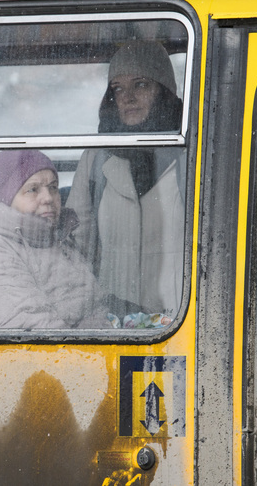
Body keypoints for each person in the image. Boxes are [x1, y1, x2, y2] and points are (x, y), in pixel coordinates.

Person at [66, 41, 185, 316]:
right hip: (115, 323)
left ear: (164, 91)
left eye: (141, 84)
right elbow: (76, 245)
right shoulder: (96, 159)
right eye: (118, 88)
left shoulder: (192, 149)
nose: (128, 97)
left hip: (181, 321)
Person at [0, 150, 114, 329]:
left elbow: (94, 309)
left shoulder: (56, 240)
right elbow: (35, 332)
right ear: (4, 198)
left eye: (53, 187)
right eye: (32, 189)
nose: (48, 198)